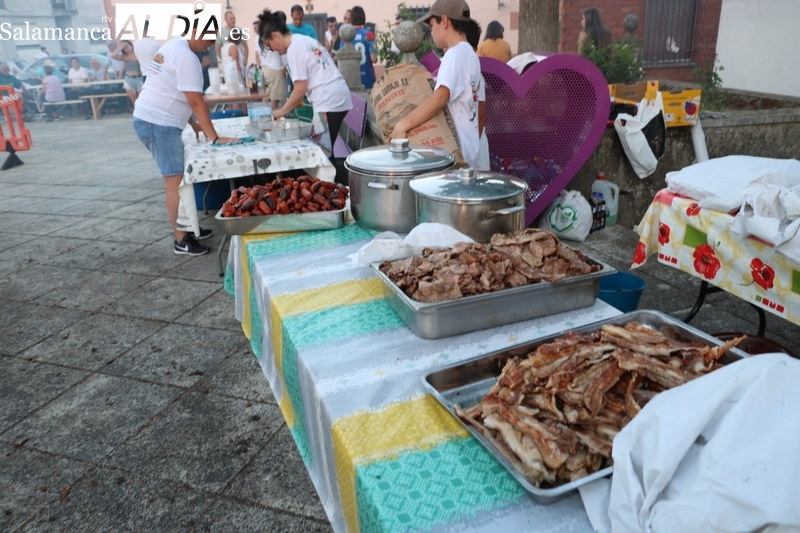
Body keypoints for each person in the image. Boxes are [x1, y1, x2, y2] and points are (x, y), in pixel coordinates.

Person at [133, 20, 239, 256]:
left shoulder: (172, 47)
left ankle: (188, 225)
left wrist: (194, 124)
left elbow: (171, 90)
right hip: (158, 123)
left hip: (152, 119)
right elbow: (195, 101)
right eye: (209, 38)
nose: (209, 44)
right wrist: (214, 136)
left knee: (179, 180)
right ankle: (181, 239)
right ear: (194, 31)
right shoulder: (186, 56)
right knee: (176, 182)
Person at [257, 8, 352, 179]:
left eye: (270, 46)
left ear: (275, 36)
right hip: (336, 97)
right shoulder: (303, 40)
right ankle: (331, 188)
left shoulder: (294, 48)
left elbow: (300, 89)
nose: (273, 50)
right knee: (322, 151)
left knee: (320, 154)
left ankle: (332, 192)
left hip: (329, 101)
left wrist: (280, 112)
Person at [390, 0, 482, 169]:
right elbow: (475, 105)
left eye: (431, 26)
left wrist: (402, 124)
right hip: (470, 150)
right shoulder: (471, 54)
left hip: (454, 156)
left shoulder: (453, 54)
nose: (431, 33)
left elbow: (440, 98)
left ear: (445, 21)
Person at [253, 17, 288, 110]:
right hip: (275, 69)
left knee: (266, 97)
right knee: (275, 100)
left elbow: (257, 55)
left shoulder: (257, 38)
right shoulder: (271, 36)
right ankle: (274, 119)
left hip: (265, 69)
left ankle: (262, 116)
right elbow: (281, 52)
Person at [339, 6, 377, 89]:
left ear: (351, 18)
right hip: (367, 78)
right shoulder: (369, 34)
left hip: (350, 79)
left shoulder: (345, 36)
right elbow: (374, 59)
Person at [112, 40, 144, 106]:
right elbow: (113, 55)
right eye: (124, 48)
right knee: (134, 102)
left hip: (139, 78)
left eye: (127, 46)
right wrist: (121, 46)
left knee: (142, 100)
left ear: (131, 45)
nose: (127, 49)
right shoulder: (124, 56)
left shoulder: (138, 54)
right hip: (129, 79)